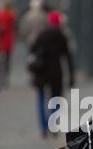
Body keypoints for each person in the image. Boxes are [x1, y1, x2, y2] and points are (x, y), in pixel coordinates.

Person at [30, 10, 74, 138]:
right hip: (56, 73)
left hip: (41, 73)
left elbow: (32, 51)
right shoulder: (62, 36)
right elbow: (68, 57)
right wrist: (71, 76)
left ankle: (43, 128)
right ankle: (53, 126)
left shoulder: (41, 35)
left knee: (41, 99)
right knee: (56, 100)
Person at [0, 0, 17, 89]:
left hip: (0, 42)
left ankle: (0, 80)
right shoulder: (12, 15)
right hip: (9, 42)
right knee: (7, 62)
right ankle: (5, 78)